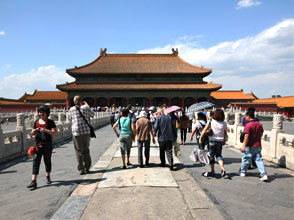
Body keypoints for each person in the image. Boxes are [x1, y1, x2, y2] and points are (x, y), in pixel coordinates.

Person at [27, 105, 57, 189]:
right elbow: (32, 133)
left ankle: (48, 177)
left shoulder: (50, 122)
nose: (40, 114)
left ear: (47, 113)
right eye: (39, 112)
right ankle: (34, 181)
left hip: (47, 145)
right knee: (36, 162)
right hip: (38, 145)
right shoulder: (36, 122)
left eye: (42, 112)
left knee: (47, 161)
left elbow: (54, 133)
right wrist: (34, 131)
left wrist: (45, 130)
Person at [240, 110, 268, 181]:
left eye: (246, 116)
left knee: (246, 159)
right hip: (257, 145)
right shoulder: (259, 125)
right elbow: (261, 133)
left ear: (248, 116)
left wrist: (243, 146)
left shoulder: (248, 125)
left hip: (249, 145)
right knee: (259, 160)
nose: (245, 118)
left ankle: (243, 172)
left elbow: (246, 136)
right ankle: (264, 174)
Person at [69, 96, 94, 175]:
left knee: (79, 151)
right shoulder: (86, 108)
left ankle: (81, 169)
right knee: (86, 149)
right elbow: (92, 115)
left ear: (74, 102)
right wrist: (87, 106)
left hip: (76, 132)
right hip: (86, 131)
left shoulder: (71, 109)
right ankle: (88, 167)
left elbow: (70, 118)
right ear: (82, 101)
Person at [200, 109, 227, 177]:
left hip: (212, 141)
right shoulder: (224, 123)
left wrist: (200, 137)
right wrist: (224, 140)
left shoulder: (211, 121)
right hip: (220, 142)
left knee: (211, 157)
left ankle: (212, 171)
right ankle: (222, 167)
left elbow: (204, 129)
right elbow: (225, 133)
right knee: (219, 155)